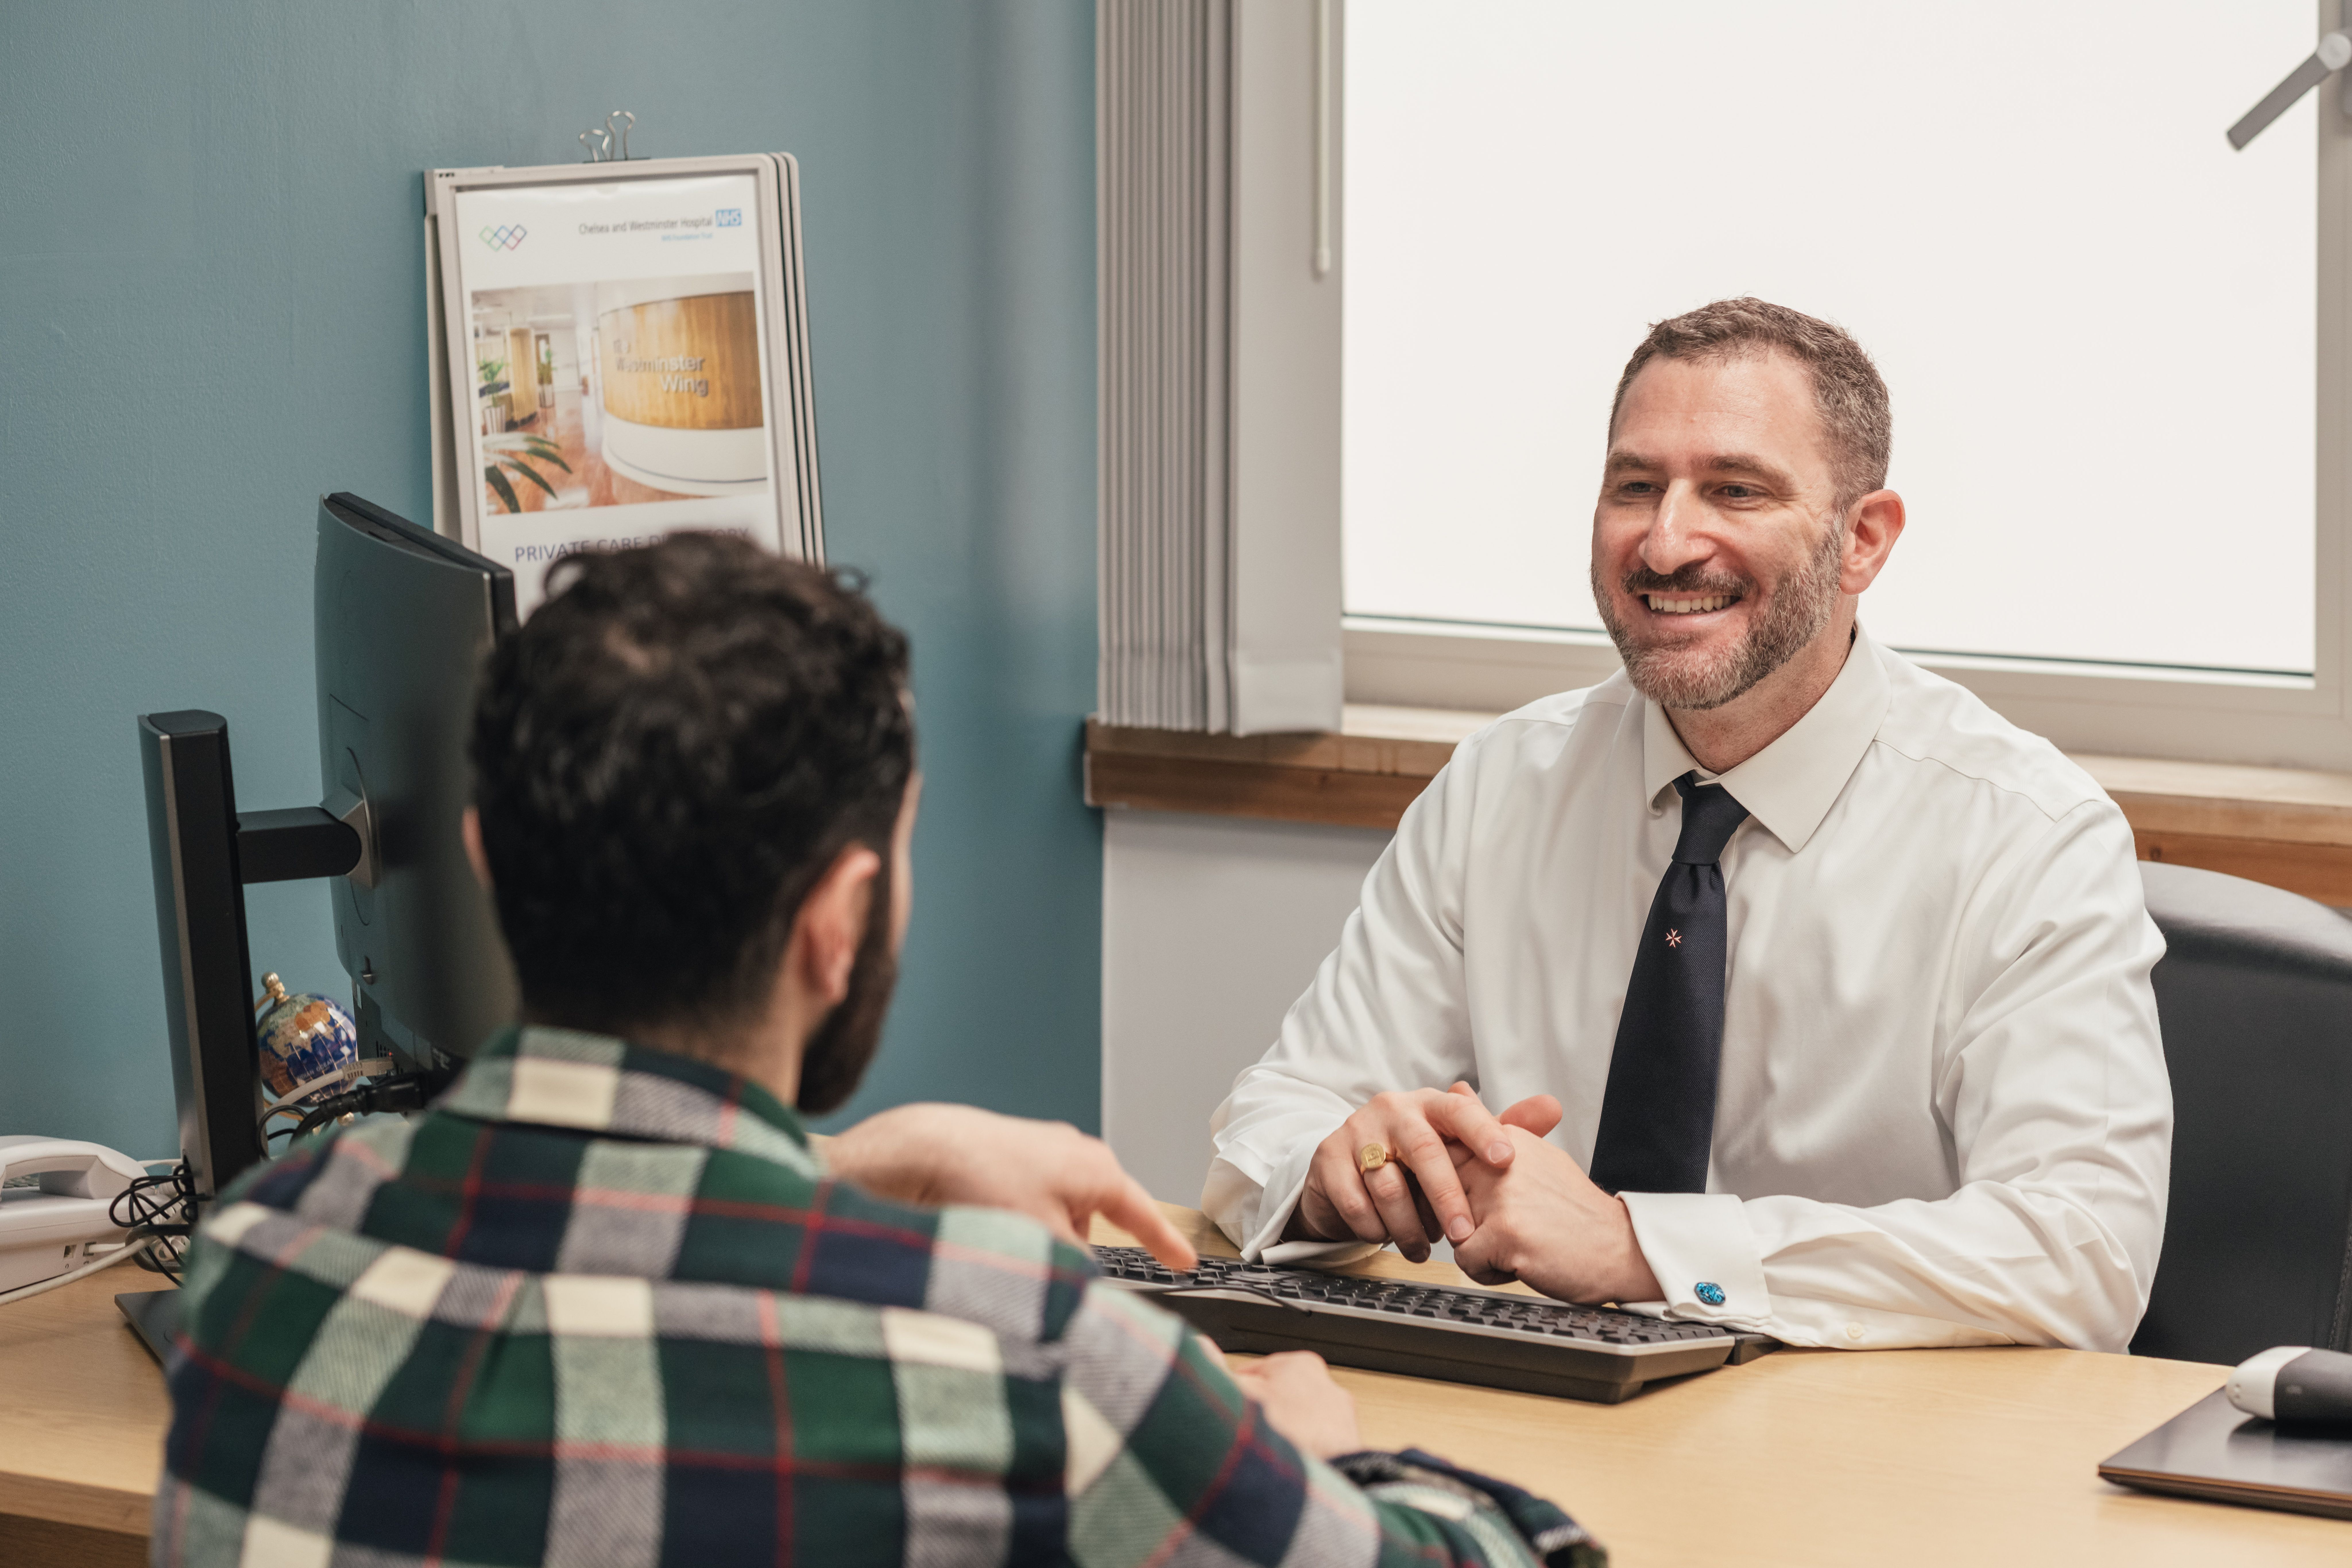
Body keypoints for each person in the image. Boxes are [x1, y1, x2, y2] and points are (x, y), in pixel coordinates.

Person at [152, 536, 1598, 1567]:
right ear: (840, 922)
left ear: (481, 857)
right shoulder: (1021, 1355)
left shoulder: (266, 1260)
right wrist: (1315, 1451)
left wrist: (836, 1167)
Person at [1206, 298, 2173, 1354]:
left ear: (1863, 539)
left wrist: (1641, 1247)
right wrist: (1339, 1170)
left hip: (1858, 1461)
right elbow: (1270, 1124)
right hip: (1541, 1410)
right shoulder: (1504, 783)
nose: (1666, 541)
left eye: (1735, 490)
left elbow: (2084, 1255)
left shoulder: (2027, 838)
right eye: (1635, 487)